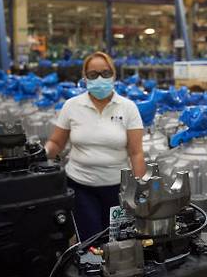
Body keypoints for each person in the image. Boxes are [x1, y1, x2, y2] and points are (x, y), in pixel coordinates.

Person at [45, 51, 146, 240]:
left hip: (117, 189)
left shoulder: (128, 107)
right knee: (90, 241)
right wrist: (42, 154)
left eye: (105, 73)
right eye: (93, 75)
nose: (100, 79)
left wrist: (139, 189)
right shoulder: (71, 106)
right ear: (85, 78)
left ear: (114, 75)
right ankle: (91, 267)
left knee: (117, 240)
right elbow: (57, 142)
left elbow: (136, 152)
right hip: (81, 186)